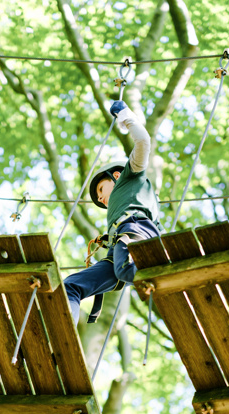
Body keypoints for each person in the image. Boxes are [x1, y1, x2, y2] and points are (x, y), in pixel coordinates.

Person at [64, 100, 161, 325]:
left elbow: (143, 141)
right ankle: (63, 332)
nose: (100, 198)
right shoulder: (119, 207)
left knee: (125, 269)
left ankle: (165, 278)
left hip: (136, 233)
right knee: (70, 286)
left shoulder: (130, 177)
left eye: (100, 189)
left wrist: (125, 116)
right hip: (119, 251)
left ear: (116, 176)